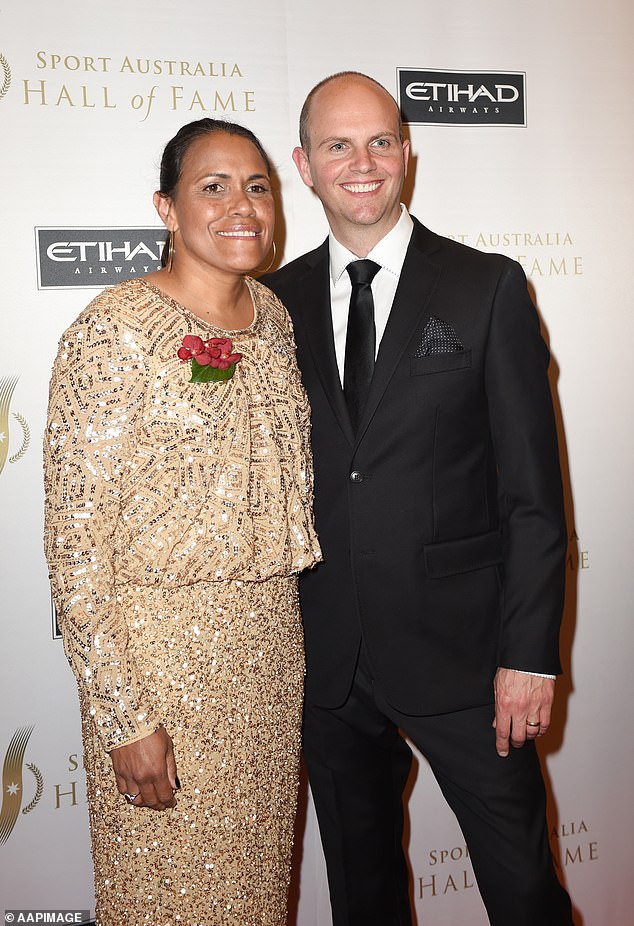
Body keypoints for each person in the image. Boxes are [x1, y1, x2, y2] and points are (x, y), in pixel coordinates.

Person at [263, 72, 574, 926]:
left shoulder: (486, 286)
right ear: (305, 165)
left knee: (525, 894)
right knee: (363, 898)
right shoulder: (272, 305)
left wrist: (531, 656)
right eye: (337, 146)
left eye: (380, 142)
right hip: (329, 660)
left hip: (469, 657)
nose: (361, 164)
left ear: (405, 153)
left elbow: (534, 495)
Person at [43, 117, 321, 926]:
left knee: (257, 898)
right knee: (165, 898)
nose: (243, 206)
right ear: (167, 208)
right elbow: (75, 545)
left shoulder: (274, 320)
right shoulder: (114, 329)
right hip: (159, 667)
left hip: (270, 661)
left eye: (258, 186)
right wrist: (123, 715)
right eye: (214, 187)